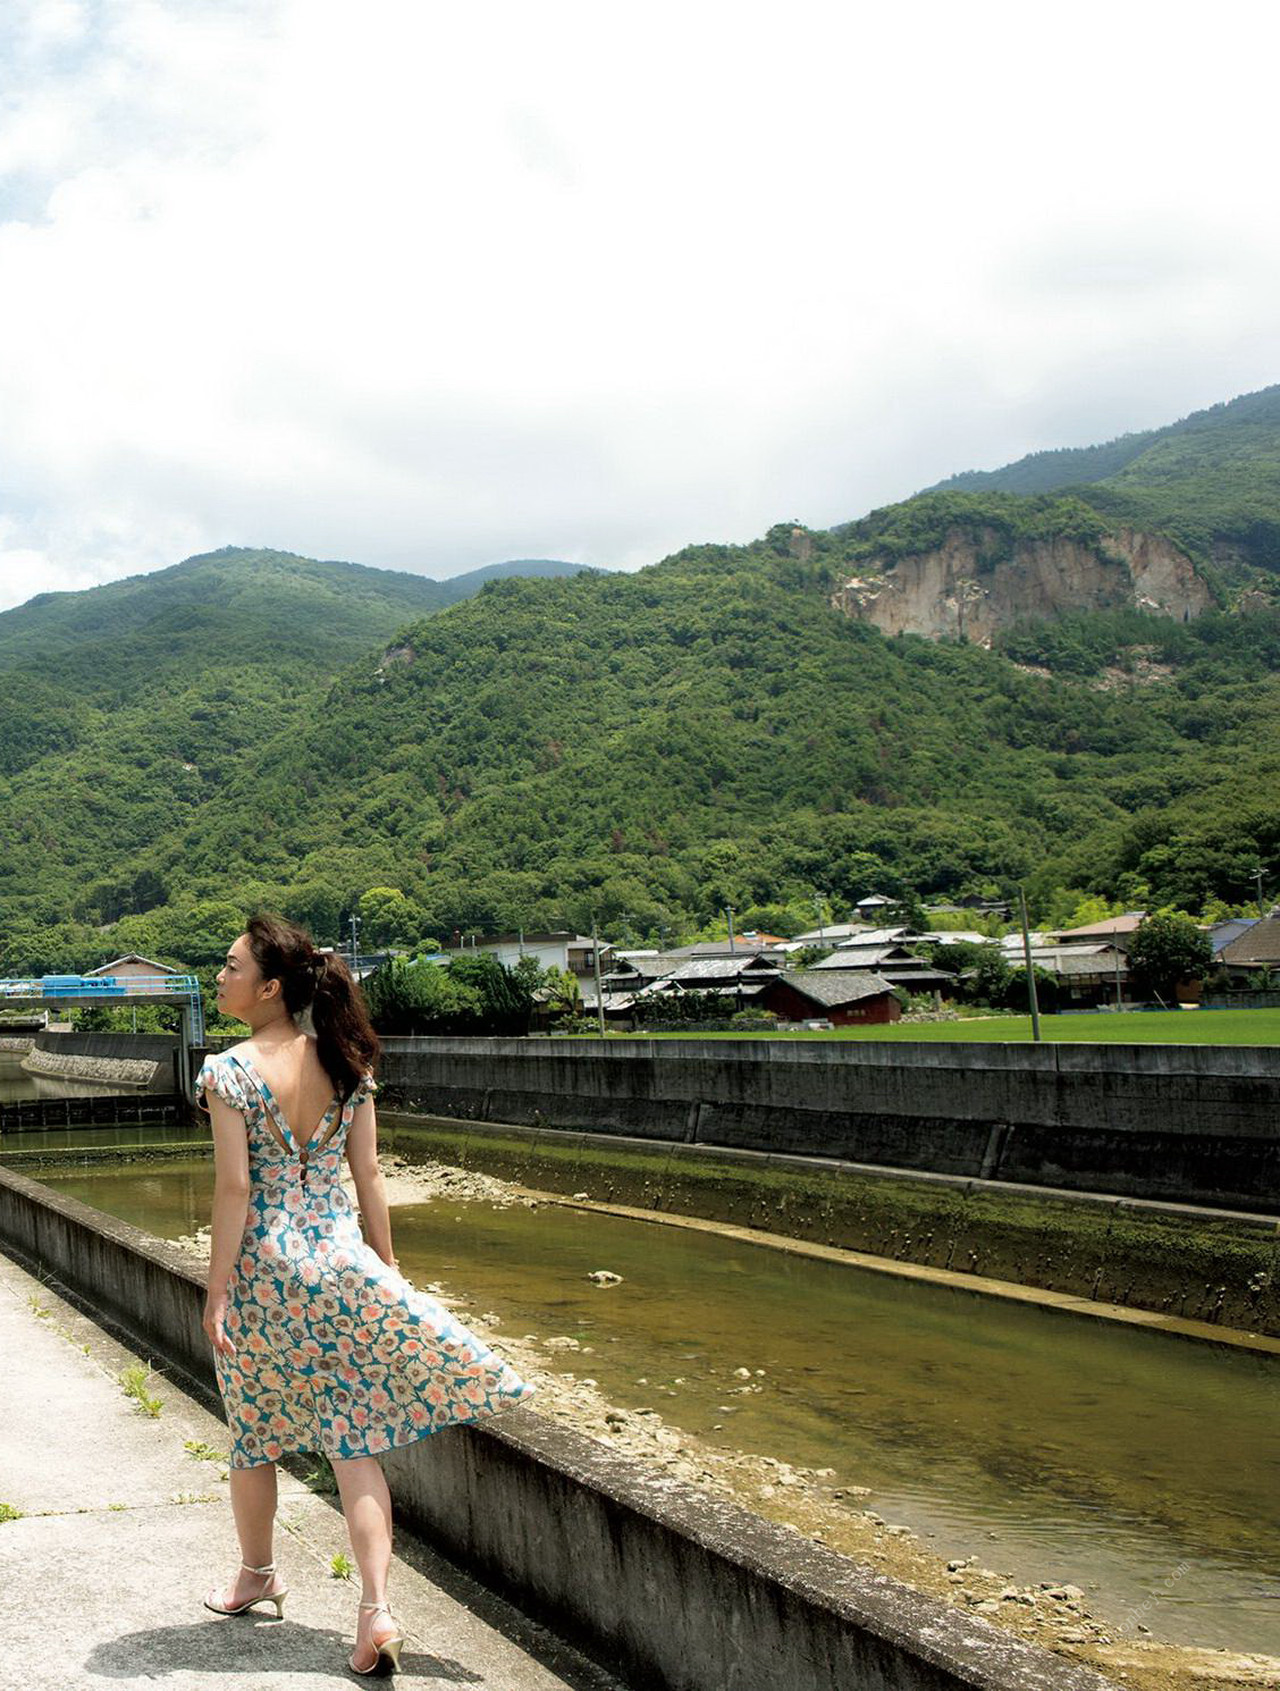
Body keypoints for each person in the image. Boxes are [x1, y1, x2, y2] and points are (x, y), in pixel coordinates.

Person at [197, 913, 536, 1675]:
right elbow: (370, 1177)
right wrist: (386, 1272)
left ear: (270, 987)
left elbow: (234, 1188)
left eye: (230, 965)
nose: (219, 976)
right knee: (354, 1445)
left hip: (267, 1275)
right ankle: (375, 1609)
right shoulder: (347, 1062)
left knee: (254, 1431)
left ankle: (257, 1573)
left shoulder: (229, 1071)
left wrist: (217, 1291)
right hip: (342, 1264)